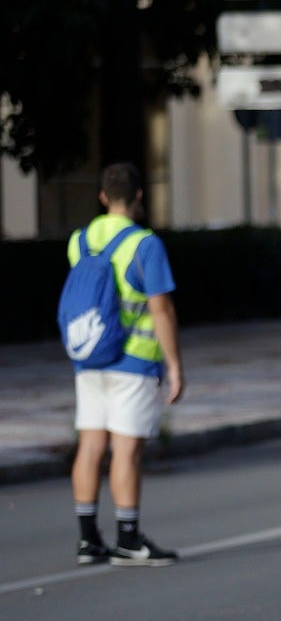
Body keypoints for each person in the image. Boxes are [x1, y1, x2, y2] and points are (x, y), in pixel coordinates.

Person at [68, 162, 184, 567]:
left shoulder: (79, 240)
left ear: (102, 196)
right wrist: (174, 366)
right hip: (134, 361)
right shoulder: (145, 244)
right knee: (126, 451)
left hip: (90, 358)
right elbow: (161, 309)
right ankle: (128, 539)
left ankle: (87, 540)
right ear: (138, 196)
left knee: (91, 445)